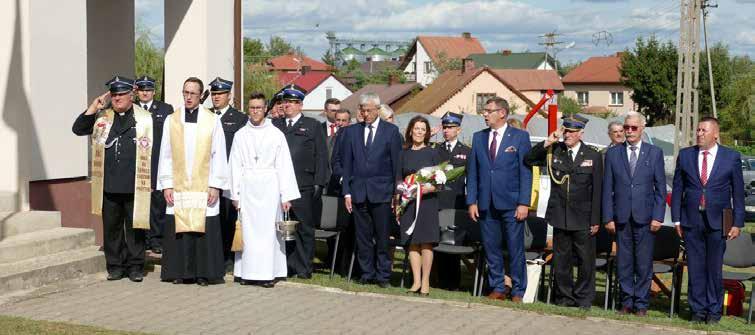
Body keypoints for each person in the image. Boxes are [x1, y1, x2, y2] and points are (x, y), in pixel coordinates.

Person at [72, 76, 151, 282]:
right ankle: (115, 266)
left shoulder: (144, 118)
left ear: (131, 95)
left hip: (135, 183)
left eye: (121, 94)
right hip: (109, 183)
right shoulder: (103, 118)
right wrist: (93, 107)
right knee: (112, 229)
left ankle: (135, 267)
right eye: (114, 94)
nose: (117, 98)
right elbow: (78, 129)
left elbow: (156, 149)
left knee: (135, 229)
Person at [157, 77, 230, 286]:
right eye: (185, 93)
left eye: (193, 94)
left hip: (203, 185)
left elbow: (219, 154)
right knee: (180, 230)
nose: (188, 97)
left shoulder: (212, 120)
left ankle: (203, 273)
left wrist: (215, 184)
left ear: (200, 96)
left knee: (202, 230)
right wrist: (167, 184)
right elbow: (166, 154)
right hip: (179, 186)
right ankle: (180, 272)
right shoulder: (172, 120)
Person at [525, 115, 603, 309]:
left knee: (586, 262)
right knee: (561, 261)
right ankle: (564, 298)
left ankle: (583, 299)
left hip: (584, 217)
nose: (567, 135)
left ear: (580, 133)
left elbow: (598, 190)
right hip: (560, 215)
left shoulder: (592, 155)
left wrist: (595, 219)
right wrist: (548, 142)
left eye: (572, 132)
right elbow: (529, 159)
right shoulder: (555, 151)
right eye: (565, 131)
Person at [671, 116, 744, 324]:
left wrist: (737, 223)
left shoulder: (731, 157)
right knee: (694, 267)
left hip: (719, 220)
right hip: (691, 220)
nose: (699, 134)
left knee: (714, 268)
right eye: (698, 130)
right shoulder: (685, 156)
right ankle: (697, 310)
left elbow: (738, 193)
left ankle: (713, 312)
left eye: (704, 130)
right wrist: (676, 219)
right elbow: (678, 189)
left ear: (715, 134)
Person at [229, 92, 300, 288]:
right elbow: (234, 166)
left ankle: (268, 273)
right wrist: (235, 194)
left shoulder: (276, 134)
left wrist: (286, 195)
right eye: (252, 108)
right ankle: (247, 272)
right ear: (248, 109)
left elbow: (284, 166)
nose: (255, 111)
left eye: (259, 108)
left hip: (270, 189)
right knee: (249, 232)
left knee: (268, 232)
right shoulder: (240, 135)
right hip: (248, 188)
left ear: (265, 109)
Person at [466, 97, 532, 302]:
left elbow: (525, 172)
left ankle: (519, 290)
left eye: (488, 110)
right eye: (484, 111)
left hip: (512, 204)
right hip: (485, 203)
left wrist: (523, 202)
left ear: (502, 113)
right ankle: (497, 287)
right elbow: (473, 172)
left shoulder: (520, 137)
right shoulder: (478, 137)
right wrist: (472, 201)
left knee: (515, 248)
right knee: (491, 247)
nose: (484, 114)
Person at [602, 112, 666, 316]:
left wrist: (658, 216)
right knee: (624, 262)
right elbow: (607, 188)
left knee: (644, 262)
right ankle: (627, 300)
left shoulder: (654, 153)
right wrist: (608, 217)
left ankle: (641, 303)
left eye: (633, 128)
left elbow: (661, 189)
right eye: (626, 127)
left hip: (646, 218)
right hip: (621, 218)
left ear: (642, 129)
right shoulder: (613, 153)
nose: (629, 131)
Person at [341, 93, 403, 288]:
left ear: (378, 109)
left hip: (382, 192)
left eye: (369, 110)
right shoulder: (352, 132)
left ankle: (383, 275)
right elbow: (347, 165)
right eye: (362, 110)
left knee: (383, 237)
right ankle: (367, 273)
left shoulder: (391, 132)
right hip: (359, 192)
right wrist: (347, 192)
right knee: (363, 236)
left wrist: (396, 193)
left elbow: (396, 165)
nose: (365, 114)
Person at [272, 85, 329, 279]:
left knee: (304, 228)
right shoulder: (275, 125)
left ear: (300, 105)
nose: (287, 105)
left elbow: (322, 156)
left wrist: (319, 183)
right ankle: (286, 266)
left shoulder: (312, 125)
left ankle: (304, 267)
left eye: (292, 102)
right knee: (282, 227)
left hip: (303, 185)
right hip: (278, 185)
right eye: (285, 101)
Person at [397, 116, 442, 296]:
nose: (419, 132)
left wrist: (427, 188)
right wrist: (404, 190)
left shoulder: (432, 153)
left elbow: (440, 180)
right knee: (412, 243)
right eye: (416, 128)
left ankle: (425, 283)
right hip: (408, 202)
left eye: (423, 129)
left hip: (427, 203)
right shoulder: (403, 153)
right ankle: (415, 281)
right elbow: (398, 178)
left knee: (426, 243)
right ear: (410, 130)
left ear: (427, 133)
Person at [207, 77, 247, 270]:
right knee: (211, 218)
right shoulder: (205, 116)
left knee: (228, 217)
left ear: (229, 96)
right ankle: (212, 255)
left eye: (220, 94)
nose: (216, 97)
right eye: (214, 94)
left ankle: (229, 258)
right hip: (208, 176)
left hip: (230, 177)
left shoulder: (239, 119)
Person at [134, 75, 174, 255]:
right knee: (139, 204)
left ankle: (157, 240)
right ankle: (142, 240)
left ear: (154, 92)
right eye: (142, 90)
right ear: (137, 91)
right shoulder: (131, 109)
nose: (145, 93)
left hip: (158, 163)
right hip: (137, 164)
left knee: (158, 204)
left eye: (148, 90)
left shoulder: (165, 109)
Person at [437, 112, 471, 209]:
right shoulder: (436, 149)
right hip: (439, 199)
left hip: (457, 199)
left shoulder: (467, 151)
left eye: (450, 127)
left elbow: (470, 177)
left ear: (458, 130)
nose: (446, 130)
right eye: (444, 127)